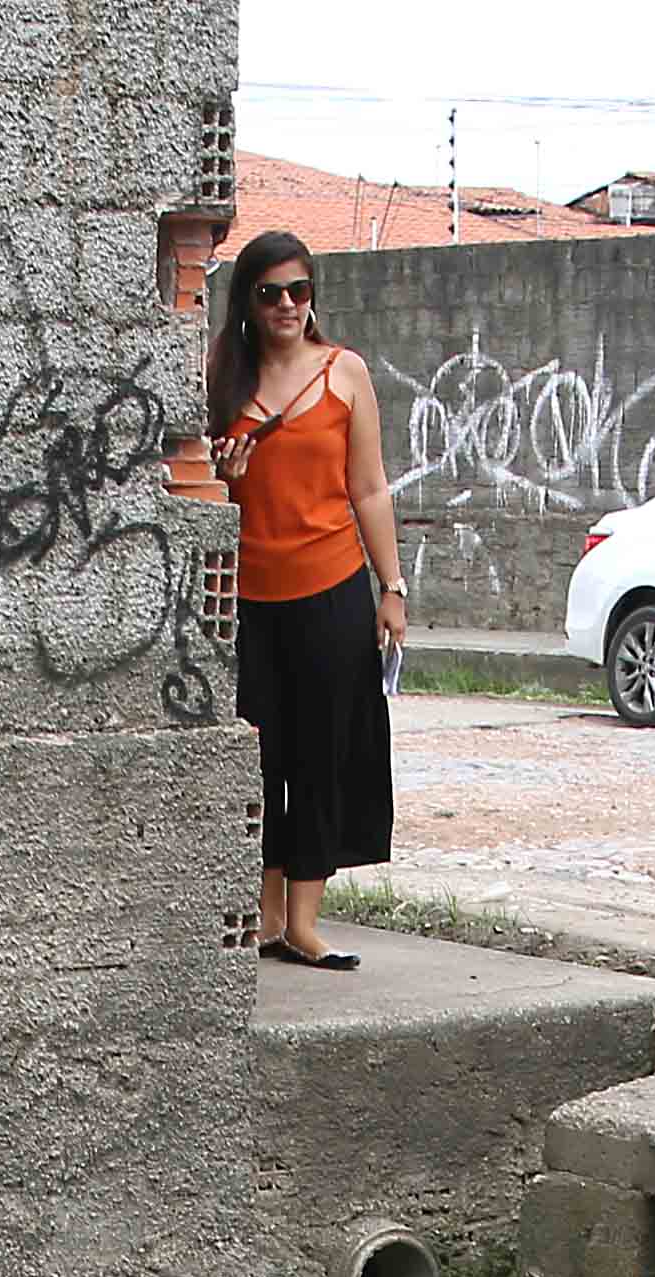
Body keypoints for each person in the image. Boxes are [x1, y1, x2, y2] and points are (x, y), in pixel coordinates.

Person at [202, 231, 410, 971]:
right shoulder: (223, 378)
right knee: (262, 757)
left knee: (323, 754)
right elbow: (202, 495)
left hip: (331, 591)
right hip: (249, 601)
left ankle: (305, 922)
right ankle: (263, 914)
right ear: (248, 304)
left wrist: (391, 588)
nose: (287, 304)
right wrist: (227, 477)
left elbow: (370, 489)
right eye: (270, 293)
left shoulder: (345, 373)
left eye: (298, 290)